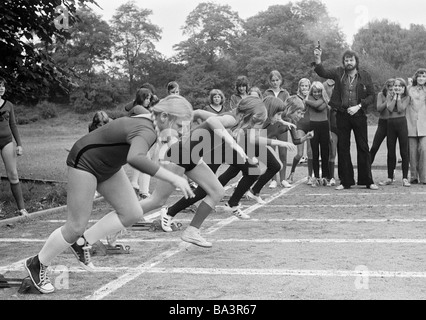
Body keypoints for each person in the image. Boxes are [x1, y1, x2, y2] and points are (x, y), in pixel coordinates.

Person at [24, 95, 195, 294]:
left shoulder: (153, 121)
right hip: (85, 162)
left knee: (132, 213)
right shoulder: (147, 130)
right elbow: (135, 158)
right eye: (180, 126)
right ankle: (37, 263)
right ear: (165, 116)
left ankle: (82, 243)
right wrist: (174, 178)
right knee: (75, 226)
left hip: (108, 165)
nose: (182, 132)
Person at [159, 96, 268, 229]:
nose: (253, 125)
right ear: (247, 114)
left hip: (202, 152)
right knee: (160, 199)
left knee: (217, 188)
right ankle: (168, 212)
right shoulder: (232, 118)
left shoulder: (233, 118)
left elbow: (206, 116)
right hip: (191, 153)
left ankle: (230, 204)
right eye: (255, 121)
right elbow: (211, 120)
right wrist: (232, 142)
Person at [313, 48, 378, 190]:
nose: (349, 62)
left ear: (356, 61)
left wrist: (359, 106)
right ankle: (345, 181)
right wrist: (318, 59)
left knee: (363, 147)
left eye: (351, 60)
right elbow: (322, 73)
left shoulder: (365, 75)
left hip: (359, 114)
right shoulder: (338, 72)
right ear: (343, 62)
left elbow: (372, 96)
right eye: (346, 60)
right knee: (343, 147)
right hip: (342, 114)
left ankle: (368, 181)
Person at [247, 96, 311, 203]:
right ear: (290, 109)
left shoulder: (288, 120)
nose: (300, 116)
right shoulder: (270, 116)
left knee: (272, 166)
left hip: (260, 143)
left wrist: (306, 137)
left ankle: (252, 191)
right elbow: (256, 128)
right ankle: (237, 194)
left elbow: (296, 140)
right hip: (252, 141)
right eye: (299, 112)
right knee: (251, 169)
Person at [0, 77, 28, 217]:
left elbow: (13, 125)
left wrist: (19, 144)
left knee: (13, 174)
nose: (1, 88)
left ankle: (22, 209)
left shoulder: (9, 105)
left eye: (3, 85)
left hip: (7, 142)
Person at [378, 78, 410, 187]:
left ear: (404, 88)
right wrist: (394, 97)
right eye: (396, 86)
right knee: (390, 151)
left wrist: (399, 97)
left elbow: (401, 108)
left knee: (404, 151)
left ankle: (405, 178)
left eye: (400, 86)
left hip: (402, 124)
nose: (397, 87)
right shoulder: (389, 96)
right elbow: (390, 109)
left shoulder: (407, 97)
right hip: (390, 124)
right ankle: (389, 177)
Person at [263, 70, 291, 188]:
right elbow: (265, 107)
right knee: (271, 152)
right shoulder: (266, 93)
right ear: (270, 81)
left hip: (282, 125)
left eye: (277, 80)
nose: (275, 83)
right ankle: (273, 179)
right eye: (273, 80)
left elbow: (288, 108)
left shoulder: (285, 93)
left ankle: (283, 179)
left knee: (283, 153)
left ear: (281, 80)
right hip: (270, 125)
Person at [127, 88, 154, 199]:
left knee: (145, 163)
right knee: (146, 163)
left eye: (149, 99)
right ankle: (143, 192)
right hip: (134, 139)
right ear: (141, 98)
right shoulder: (138, 108)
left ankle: (143, 191)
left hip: (137, 139)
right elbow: (153, 118)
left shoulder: (138, 107)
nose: (148, 101)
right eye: (146, 98)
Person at [304, 81, 331, 187]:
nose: (316, 94)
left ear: (322, 91)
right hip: (313, 126)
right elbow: (316, 105)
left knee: (325, 152)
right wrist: (308, 100)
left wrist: (306, 101)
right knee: (315, 153)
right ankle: (316, 177)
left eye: (319, 92)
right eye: (314, 92)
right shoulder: (313, 98)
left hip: (324, 125)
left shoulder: (324, 98)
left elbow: (317, 106)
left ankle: (325, 176)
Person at [288, 78, 313, 185]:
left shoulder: (312, 97)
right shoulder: (295, 98)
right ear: (299, 87)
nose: (304, 88)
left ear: (309, 87)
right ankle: (291, 173)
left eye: (306, 86)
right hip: (300, 126)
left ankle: (310, 176)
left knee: (310, 153)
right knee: (299, 154)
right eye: (302, 86)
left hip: (311, 126)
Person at [406, 68, 426, 184]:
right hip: (411, 123)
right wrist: (408, 85)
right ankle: (413, 176)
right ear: (416, 77)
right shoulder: (409, 89)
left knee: (424, 149)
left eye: (424, 76)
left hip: (424, 124)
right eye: (419, 76)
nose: (421, 78)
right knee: (412, 152)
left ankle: (424, 177)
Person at [370, 79, 394, 165]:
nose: (391, 89)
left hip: (393, 123)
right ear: (386, 87)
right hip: (383, 122)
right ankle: (366, 168)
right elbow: (379, 108)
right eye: (389, 87)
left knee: (391, 149)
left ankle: (391, 174)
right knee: (374, 147)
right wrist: (387, 100)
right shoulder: (381, 95)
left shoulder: (397, 96)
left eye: (393, 87)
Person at [323, 79, 337, 186]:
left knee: (343, 153)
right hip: (332, 128)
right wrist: (328, 132)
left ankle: (343, 175)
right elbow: (326, 119)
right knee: (332, 153)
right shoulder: (328, 104)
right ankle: (330, 177)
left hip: (342, 129)